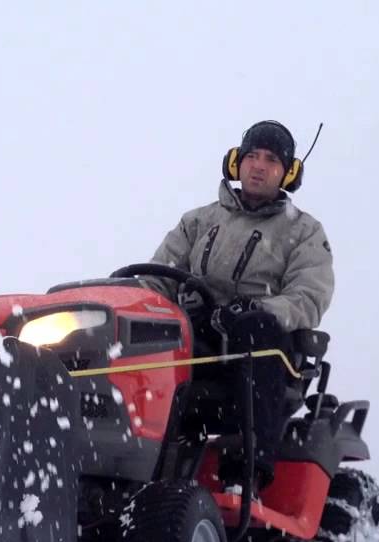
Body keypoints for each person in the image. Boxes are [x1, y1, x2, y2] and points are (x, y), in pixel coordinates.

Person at [142, 120, 334, 479]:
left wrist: (253, 309)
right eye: (252, 156)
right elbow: (157, 279)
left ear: (289, 172)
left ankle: (247, 468)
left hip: (254, 348)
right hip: (194, 337)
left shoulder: (304, 232)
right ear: (235, 162)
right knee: (133, 330)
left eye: (271, 160)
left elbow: (308, 297)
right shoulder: (198, 221)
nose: (259, 166)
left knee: (256, 327)